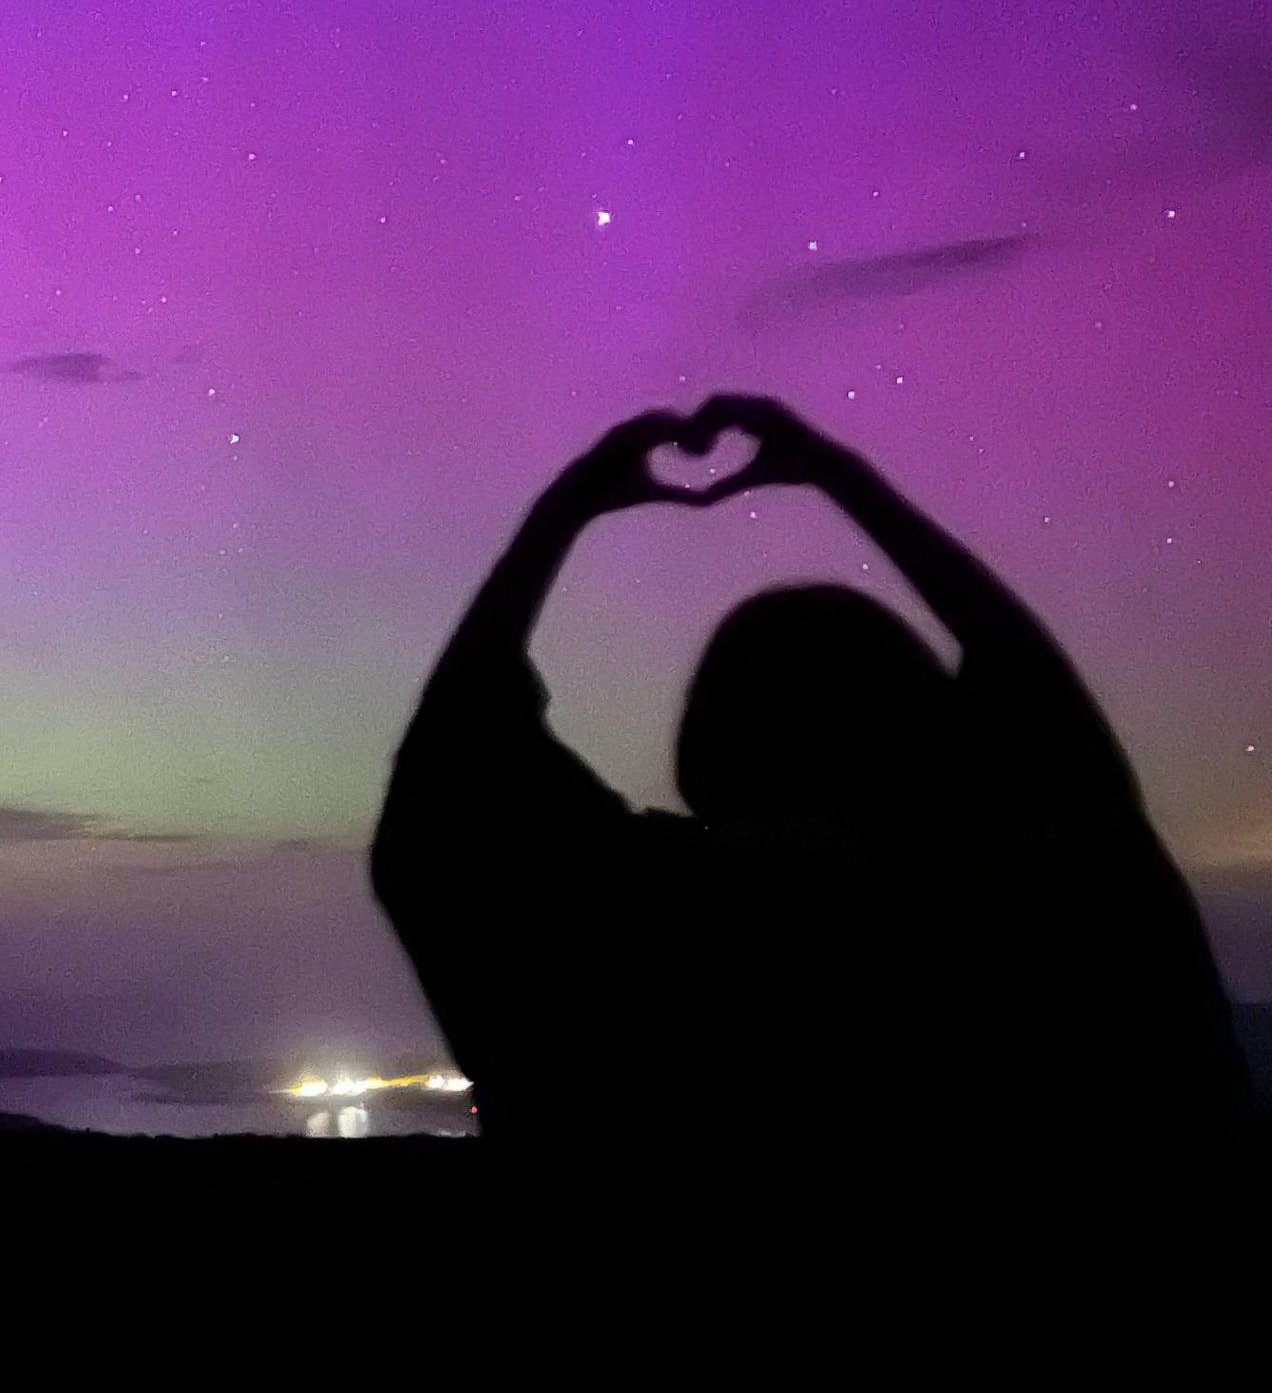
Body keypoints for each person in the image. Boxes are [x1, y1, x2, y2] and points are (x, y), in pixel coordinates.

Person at [371, 393, 1251, 1146]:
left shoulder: (630, 942)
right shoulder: (1056, 927)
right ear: (939, 741)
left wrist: (565, 510)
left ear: (703, 755)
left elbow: (447, 775)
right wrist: (843, 478)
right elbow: (1057, 733)